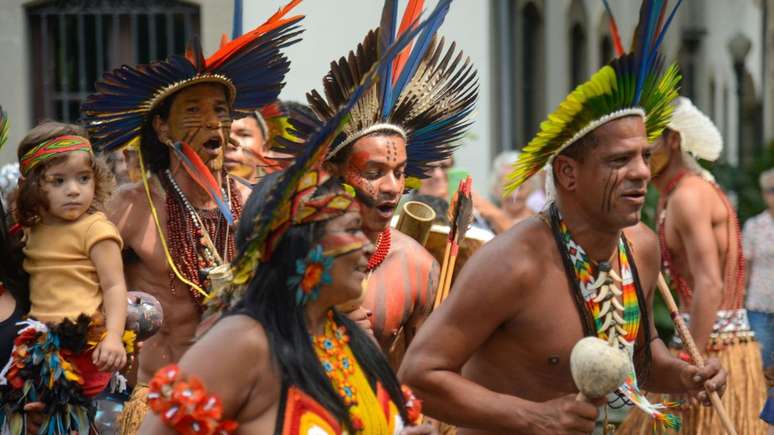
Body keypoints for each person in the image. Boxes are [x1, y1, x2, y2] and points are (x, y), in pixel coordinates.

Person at [400, 3, 729, 434]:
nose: (642, 172)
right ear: (568, 173)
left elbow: (642, 357)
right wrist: (532, 417)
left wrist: (685, 375)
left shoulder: (641, 247)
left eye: (644, 156)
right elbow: (419, 376)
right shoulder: (514, 263)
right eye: (619, 160)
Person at [139, 34, 435, 431]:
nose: (367, 244)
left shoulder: (347, 340)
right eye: (350, 229)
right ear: (301, 246)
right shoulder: (244, 343)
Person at [80, 4, 304, 432]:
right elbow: (81, 288)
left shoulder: (253, 205)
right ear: (163, 130)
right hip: (153, 404)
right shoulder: (132, 206)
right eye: (194, 111)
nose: (213, 123)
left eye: (221, 111)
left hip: (236, 405)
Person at [298, 0, 477, 368]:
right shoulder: (292, 254)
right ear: (333, 171)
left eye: (399, 171)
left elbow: (426, 382)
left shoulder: (418, 266)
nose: (393, 187)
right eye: (375, 172)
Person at [617, 96, 767, 433]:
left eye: (647, 146)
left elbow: (709, 284)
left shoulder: (688, 196)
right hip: (706, 346)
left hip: (713, 355)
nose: (639, 158)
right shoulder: (677, 194)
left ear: (673, 140)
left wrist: (692, 370)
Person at [1, 121, 132, 434]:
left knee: (83, 422)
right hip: (38, 349)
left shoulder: (96, 229)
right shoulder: (30, 229)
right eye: (58, 181)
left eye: (83, 179)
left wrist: (114, 338)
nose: (73, 190)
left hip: (86, 348)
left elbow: (114, 286)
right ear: (33, 186)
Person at [743, 168, 774, 370]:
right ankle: (764, 404)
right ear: (764, 194)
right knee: (761, 365)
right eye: (772, 190)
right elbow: (744, 267)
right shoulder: (753, 226)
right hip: (759, 306)